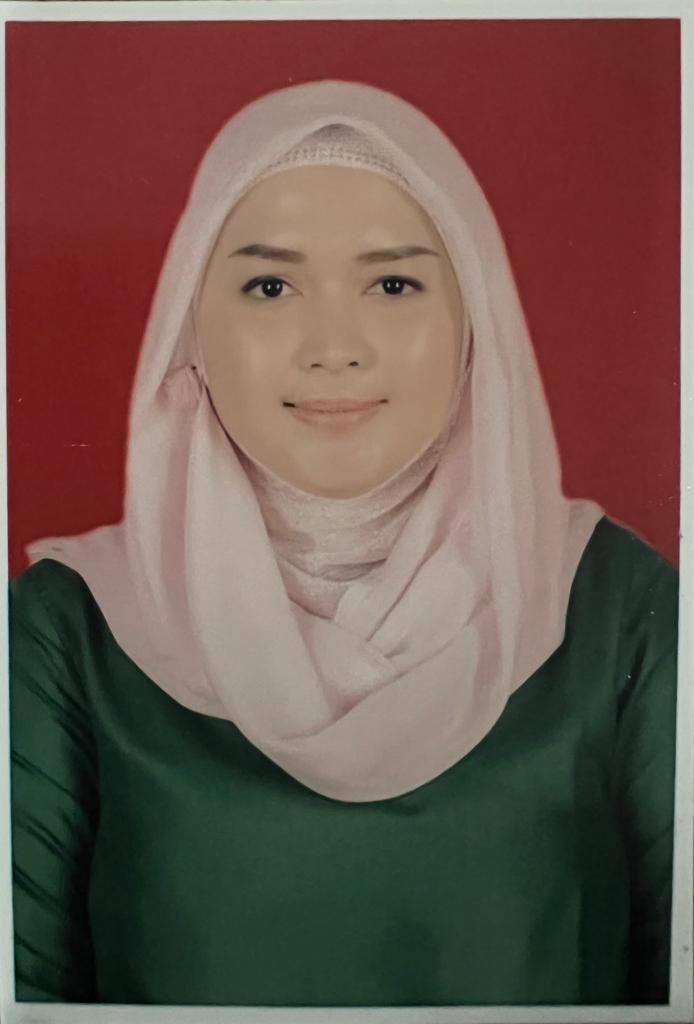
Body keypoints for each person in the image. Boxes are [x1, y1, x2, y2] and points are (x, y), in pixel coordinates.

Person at [9, 79, 677, 1007]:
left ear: (474, 321)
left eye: (394, 284)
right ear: (190, 327)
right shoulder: (67, 631)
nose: (334, 346)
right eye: (270, 286)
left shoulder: (619, 610)